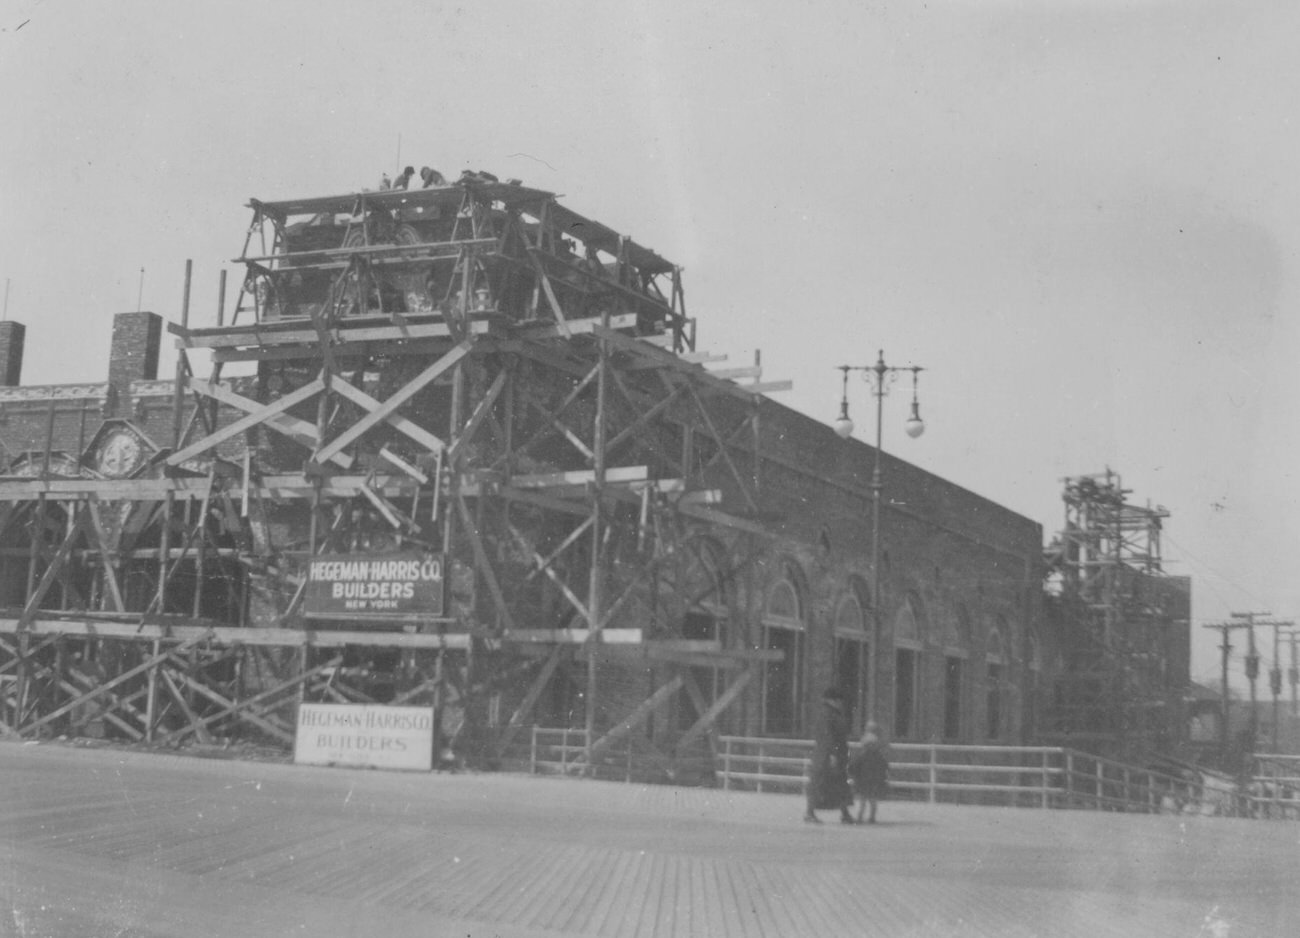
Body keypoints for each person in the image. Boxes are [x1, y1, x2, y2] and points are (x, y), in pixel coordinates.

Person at [805, 687, 854, 824]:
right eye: (839, 700)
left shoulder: (832, 714)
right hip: (827, 756)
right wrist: (833, 754)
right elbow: (828, 736)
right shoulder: (828, 715)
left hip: (831, 754)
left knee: (838, 784)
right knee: (821, 783)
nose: (841, 703)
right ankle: (810, 812)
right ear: (833, 700)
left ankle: (845, 813)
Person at [848, 721, 891, 824]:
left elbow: (853, 766)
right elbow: (884, 767)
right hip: (874, 781)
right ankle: (872, 817)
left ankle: (859, 817)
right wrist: (884, 776)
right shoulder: (878, 756)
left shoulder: (861, 756)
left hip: (862, 781)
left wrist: (852, 774)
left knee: (862, 801)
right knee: (873, 800)